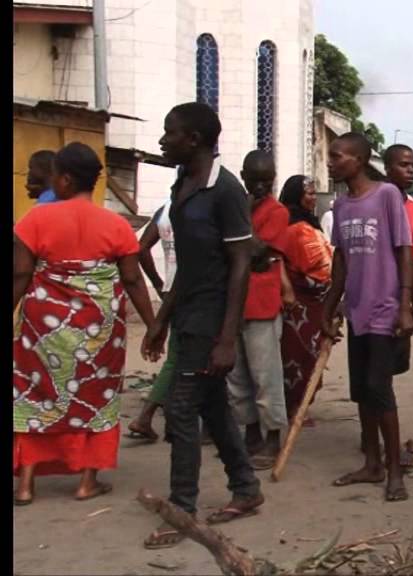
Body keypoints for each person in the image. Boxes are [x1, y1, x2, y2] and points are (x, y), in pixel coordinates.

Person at [141, 102, 263, 549]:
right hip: (188, 313)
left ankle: (181, 510)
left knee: (181, 409)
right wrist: (160, 319)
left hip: (213, 318)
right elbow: (189, 265)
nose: (162, 139)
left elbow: (240, 265)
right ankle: (247, 489)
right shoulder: (184, 184)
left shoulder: (225, 190)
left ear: (193, 139)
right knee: (211, 404)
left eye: (168, 132)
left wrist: (227, 337)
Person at [13, 142, 157, 505]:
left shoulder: (34, 220)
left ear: (63, 180)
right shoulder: (117, 225)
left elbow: (20, 273)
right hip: (99, 331)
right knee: (96, 396)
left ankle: (26, 485)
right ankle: (85, 483)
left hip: (42, 328)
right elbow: (133, 280)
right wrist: (154, 327)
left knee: (36, 394)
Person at [322, 132, 413, 502]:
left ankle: (394, 471)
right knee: (361, 391)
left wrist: (406, 304)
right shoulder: (341, 207)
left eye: (336, 156)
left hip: (385, 309)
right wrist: (329, 308)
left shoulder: (387, 195)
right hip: (357, 309)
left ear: (358, 159)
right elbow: (341, 262)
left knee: (380, 389)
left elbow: (404, 250)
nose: (330, 162)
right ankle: (372, 463)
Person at [224, 150, 290, 471]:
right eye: (255, 180)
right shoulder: (235, 208)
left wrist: (241, 230)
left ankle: (274, 435)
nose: (261, 187)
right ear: (243, 176)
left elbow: (259, 251)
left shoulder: (277, 212)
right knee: (237, 377)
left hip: (262, 305)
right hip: (232, 304)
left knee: (266, 376)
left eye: (267, 181)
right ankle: (251, 433)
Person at [384, 144, 413, 468]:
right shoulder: (375, 202)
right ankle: (383, 443)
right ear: (387, 168)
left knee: (391, 369)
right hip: (376, 299)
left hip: (401, 301)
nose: (410, 171)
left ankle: (377, 435)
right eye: (403, 165)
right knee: (377, 373)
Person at [277, 175, 333, 424]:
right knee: (298, 355)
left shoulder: (308, 224)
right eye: (309, 193)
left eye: (313, 193)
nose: (313, 197)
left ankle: (298, 404)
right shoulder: (296, 229)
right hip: (301, 305)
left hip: (315, 303)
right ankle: (294, 408)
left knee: (307, 354)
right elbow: (317, 267)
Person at [125, 198, 179, 442]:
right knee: (178, 357)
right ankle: (145, 417)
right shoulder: (194, 206)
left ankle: (171, 412)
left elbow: (141, 247)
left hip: (171, 287)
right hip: (189, 289)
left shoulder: (164, 209)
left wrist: (158, 283)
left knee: (183, 354)